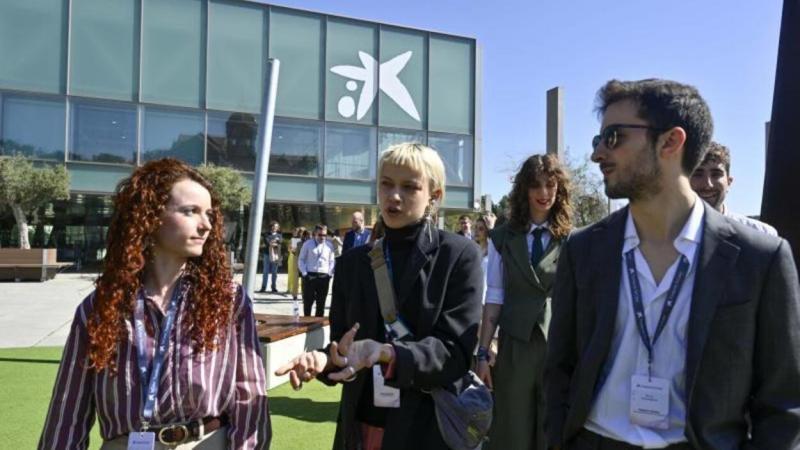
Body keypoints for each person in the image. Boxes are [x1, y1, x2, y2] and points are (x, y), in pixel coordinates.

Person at [545, 79, 800, 450]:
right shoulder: (583, 250)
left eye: (613, 137)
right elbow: (559, 371)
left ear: (670, 142)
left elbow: (783, 402)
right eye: (598, 140)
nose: (598, 154)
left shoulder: (760, 258)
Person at [38, 158, 270, 449]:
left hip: (207, 442)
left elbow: (248, 394)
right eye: (191, 212)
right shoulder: (101, 307)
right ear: (150, 216)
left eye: (209, 214)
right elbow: (68, 410)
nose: (206, 225)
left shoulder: (229, 300)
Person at [274, 143, 483, 450]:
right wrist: (323, 360)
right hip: (361, 424)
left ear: (434, 196)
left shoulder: (458, 255)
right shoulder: (351, 263)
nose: (393, 196)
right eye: (386, 184)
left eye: (409, 187)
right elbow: (344, 346)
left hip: (425, 427)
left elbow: (455, 353)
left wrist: (390, 353)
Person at [477, 154, 573, 450]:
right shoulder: (501, 238)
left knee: (552, 430)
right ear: (524, 190)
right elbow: (494, 296)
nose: (544, 193)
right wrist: (482, 353)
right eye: (536, 186)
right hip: (515, 348)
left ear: (560, 189)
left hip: (557, 346)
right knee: (512, 431)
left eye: (550, 185)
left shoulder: (572, 239)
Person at [690, 141, 778, 236]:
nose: (707, 184)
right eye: (698, 174)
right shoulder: (672, 232)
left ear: (729, 182)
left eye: (716, 174)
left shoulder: (762, 234)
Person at [297, 224, 336, 317]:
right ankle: (306, 320)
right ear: (315, 234)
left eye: (324, 235)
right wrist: (304, 273)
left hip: (323, 276)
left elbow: (332, 261)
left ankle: (317, 324)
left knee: (321, 302)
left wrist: (329, 274)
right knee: (308, 302)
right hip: (310, 275)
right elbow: (301, 259)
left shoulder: (329, 245)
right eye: (320, 235)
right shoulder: (308, 244)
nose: (322, 237)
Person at [259, 221, 282, 293]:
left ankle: (274, 287)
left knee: (274, 272)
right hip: (267, 254)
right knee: (265, 271)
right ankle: (263, 287)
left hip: (275, 255)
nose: (275, 228)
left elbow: (280, 242)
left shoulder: (279, 235)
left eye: (277, 227)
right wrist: (275, 241)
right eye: (274, 226)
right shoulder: (266, 234)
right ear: (271, 227)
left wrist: (273, 242)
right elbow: (267, 242)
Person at [287, 227, 305, 301]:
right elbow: (290, 249)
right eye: (300, 232)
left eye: (303, 232)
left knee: (304, 278)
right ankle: (295, 294)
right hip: (295, 258)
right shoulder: (293, 240)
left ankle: (304, 294)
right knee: (295, 277)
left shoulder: (306, 240)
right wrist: (292, 250)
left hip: (304, 260)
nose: (301, 233)